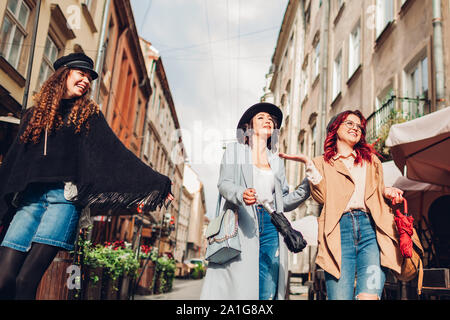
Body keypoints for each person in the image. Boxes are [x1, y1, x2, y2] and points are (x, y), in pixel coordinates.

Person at [0, 52, 173, 300]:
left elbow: (116, 155)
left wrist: (158, 183)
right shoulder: (33, 115)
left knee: (26, 280)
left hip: (63, 202)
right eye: (81, 74)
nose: (86, 80)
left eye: (90, 78)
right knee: (4, 278)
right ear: (63, 74)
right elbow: (13, 163)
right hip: (29, 202)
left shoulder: (88, 116)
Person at [280, 110, 406, 300]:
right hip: (338, 232)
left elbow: (375, 191)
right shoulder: (321, 163)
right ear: (335, 127)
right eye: (349, 123)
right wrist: (309, 165)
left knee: (369, 297)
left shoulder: (371, 161)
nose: (355, 128)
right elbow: (322, 197)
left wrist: (386, 191)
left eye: (358, 126)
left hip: (371, 230)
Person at [200, 102, 310, 300]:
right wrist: (241, 193)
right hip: (242, 221)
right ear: (248, 128)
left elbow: (283, 201)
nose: (267, 120)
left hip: (270, 223)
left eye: (271, 119)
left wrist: (309, 183)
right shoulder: (235, 151)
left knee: (268, 284)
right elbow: (224, 184)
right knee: (241, 286)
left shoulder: (276, 161)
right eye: (261, 117)